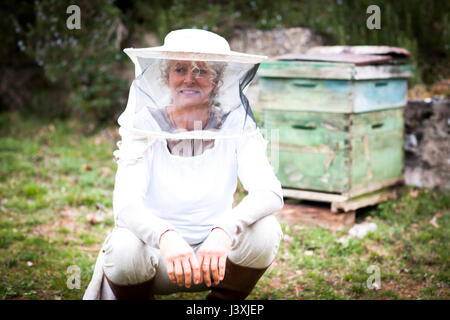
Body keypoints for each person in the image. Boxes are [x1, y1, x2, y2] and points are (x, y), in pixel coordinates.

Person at [83, 29, 284, 300]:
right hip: (158, 258)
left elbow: (269, 192)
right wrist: (165, 236)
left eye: (201, 70)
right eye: (180, 68)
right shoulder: (144, 125)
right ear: (167, 77)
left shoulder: (236, 123)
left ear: (217, 81)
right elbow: (125, 206)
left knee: (266, 230)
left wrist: (224, 231)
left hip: (215, 258)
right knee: (123, 247)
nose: (189, 78)